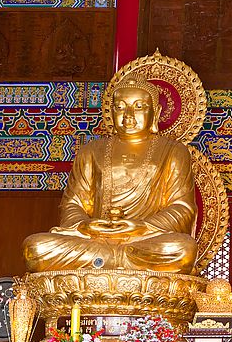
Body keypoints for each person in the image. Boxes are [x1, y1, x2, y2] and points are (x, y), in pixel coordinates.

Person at [23, 76, 198, 273]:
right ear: (110, 112)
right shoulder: (92, 150)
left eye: (139, 106)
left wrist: (140, 227)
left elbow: (182, 208)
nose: (129, 115)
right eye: (120, 107)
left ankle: (106, 261)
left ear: (155, 113)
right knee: (35, 248)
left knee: (183, 250)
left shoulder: (173, 151)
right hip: (95, 239)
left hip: (144, 239)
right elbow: (73, 204)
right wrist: (86, 226)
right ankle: (116, 260)